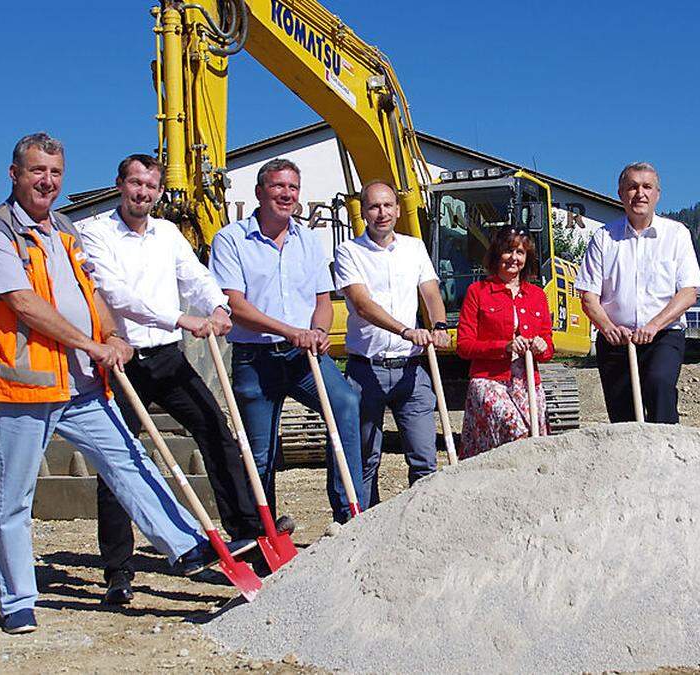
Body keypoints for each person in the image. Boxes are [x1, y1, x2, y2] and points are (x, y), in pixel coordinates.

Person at [0, 133, 223, 634]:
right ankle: (18, 601)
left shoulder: (64, 230)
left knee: (128, 459)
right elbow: (23, 304)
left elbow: (92, 291)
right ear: (14, 174)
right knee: (13, 499)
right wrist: (90, 343)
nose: (48, 181)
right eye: (37, 171)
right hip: (21, 390)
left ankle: (184, 545)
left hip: (79, 385)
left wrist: (112, 334)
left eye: (56, 173)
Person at [78, 153, 261, 605]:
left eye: (151, 186)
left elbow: (194, 274)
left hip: (165, 357)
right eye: (135, 183)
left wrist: (217, 305)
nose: (143, 192)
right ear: (120, 184)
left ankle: (244, 533)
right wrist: (183, 318)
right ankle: (119, 570)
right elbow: (118, 293)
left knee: (214, 428)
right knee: (118, 460)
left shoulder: (168, 232)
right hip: (119, 358)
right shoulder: (96, 232)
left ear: (160, 192)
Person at [208, 158, 364, 523]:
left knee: (345, 403)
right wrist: (290, 331)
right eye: (278, 186)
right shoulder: (231, 240)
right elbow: (234, 304)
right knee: (259, 451)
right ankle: (262, 531)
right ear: (260, 192)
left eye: (293, 187)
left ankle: (350, 512)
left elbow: (322, 302)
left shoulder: (309, 241)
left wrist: (320, 332)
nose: (287, 194)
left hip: (303, 359)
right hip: (255, 359)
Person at [334, 181, 450, 507]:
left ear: (398, 211)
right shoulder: (349, 252)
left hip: (411, 372)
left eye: (388, 206)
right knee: (366, 461)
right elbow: (361, 304)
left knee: (425, 460)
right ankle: (365, 528)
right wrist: (405, 330)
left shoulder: (414, 248)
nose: (382, 213)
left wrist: (438, 325)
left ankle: (421, 526)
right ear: (364, 212)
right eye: (374, 207)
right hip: (365, 371)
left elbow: (430, 292)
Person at [575, 162, 700, 423]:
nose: (640, 193)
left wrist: (654, 325)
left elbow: (688, 292)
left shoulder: (676, 234)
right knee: (623, 415)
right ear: (621, 194)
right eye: (632, 187)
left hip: (663, 336)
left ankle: (667, 456)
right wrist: (608, 327)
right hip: (615, 340)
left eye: (647, 187)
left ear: (658, 194)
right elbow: (588, 295)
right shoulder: (603, 238)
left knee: (659, 386)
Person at [456, 225, 554, 457]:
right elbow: (464, 345)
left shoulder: (537, 295)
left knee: (535, 438)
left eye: (520, 252)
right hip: (489, 379)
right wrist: (504, 346)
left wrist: (542, 346)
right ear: (497, 254)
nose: (514, 258)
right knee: (515, 430)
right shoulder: (478, 291)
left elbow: (548, 347)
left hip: (527, 379)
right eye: (508, 251)